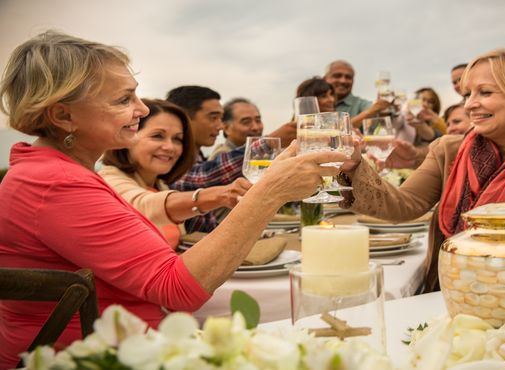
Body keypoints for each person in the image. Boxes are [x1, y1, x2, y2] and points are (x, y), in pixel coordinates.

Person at [0, 31, 346, 368]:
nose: (140, 109)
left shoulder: (54, 174)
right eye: (123, 100)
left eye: (136, 96)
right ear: (63, 116)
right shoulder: (56, 184)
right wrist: (269, 192)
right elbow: (178, 288)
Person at [338, 49, 505, 291]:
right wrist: (354, 167)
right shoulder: (448, 148)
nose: (469, 105)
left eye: (485, 92)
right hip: (449, 291)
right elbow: (403, 205)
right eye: (467, 94)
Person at [100, 99, 251, 249]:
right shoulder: (108, 180)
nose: (169, 147)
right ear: (127, 136)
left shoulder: (161, 185)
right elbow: (143, 205)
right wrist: (220, 195)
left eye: (177, 139)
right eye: (157, 136)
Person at [167, 86, 295, 232]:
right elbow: (204, 176)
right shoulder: (174, 159)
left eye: (220, 119)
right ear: (183, 118)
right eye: (213, 118)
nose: (220, 126)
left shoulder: (197, 155)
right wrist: (269, 142)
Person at [324, 60, 391, 128]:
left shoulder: (363, 104)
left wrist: (380, 108)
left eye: (348, 77)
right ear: (325, 78)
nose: (343, 81)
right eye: (337, 76)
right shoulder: (315, 101)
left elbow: (381, 124)